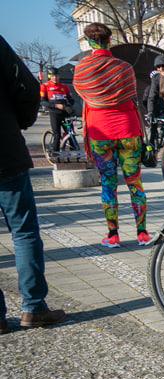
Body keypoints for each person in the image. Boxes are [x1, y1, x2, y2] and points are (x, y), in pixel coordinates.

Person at [0, 34, 66, 333]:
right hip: (3, 151)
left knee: (23, 231)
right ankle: (33, 307)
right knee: (24, 232)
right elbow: (26, 87)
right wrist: (18, 122)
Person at [73, 22, 151, 248]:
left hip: (100, 131)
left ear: (89, 43)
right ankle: (142, 233)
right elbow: (130, 93)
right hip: (128, 129)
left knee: (108, 184)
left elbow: (83, 94)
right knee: (135, 182)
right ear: (110, 40)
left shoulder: (82, 69)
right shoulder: (124, 67)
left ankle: (113, 235)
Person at [40, 66, 75, 152]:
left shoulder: (64, 86)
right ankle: (55, 155)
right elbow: (43, 102)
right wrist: (56, 106)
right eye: (53, 76)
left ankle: (75, 153)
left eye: (56, 75)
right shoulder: (44, 86)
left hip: (65, 113)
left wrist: (69, 105)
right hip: (54, 113)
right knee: (57, 135)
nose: (55, 78)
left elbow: (71, 99)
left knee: (70, 133)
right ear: (49, 76)